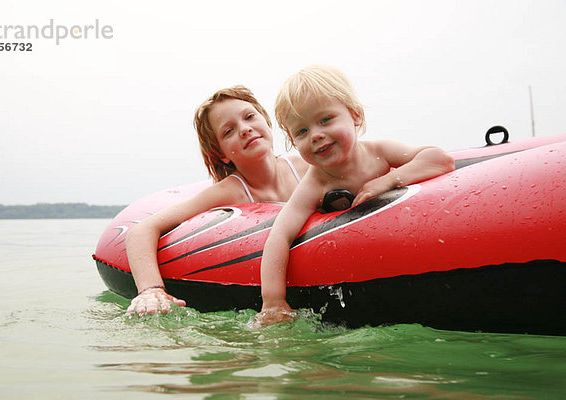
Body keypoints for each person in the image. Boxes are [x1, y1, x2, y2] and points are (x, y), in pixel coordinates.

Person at [254, 65, 455, 327]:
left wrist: (387, 181)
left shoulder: (378, 153)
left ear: (355, 116)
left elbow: (441, 160)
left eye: (326, 119)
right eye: (301, 131)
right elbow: (280, 234)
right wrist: (272, 300)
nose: (316, 134)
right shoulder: (314, 183)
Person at [126, 85, 309, 315]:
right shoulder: (232, 191)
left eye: (250, 117)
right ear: (221, 153)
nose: (245, 129)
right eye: (228, 131)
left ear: (266, 121)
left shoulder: (306, 168)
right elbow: (141, 231)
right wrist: (151, 290)